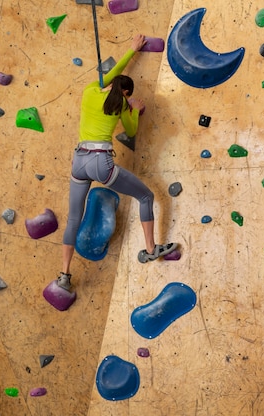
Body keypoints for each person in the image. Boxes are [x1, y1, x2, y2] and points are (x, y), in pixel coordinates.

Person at [58, 34, 177, 291]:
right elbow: (132, 131)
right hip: (101, 163)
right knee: (145, 197)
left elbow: (115, 71)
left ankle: (64, 275)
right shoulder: (122, 103)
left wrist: (131, 49)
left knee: (73, 219)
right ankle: (150, 249)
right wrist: (133, 108)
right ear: (125, 92)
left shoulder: (89, 91)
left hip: (78, 161)